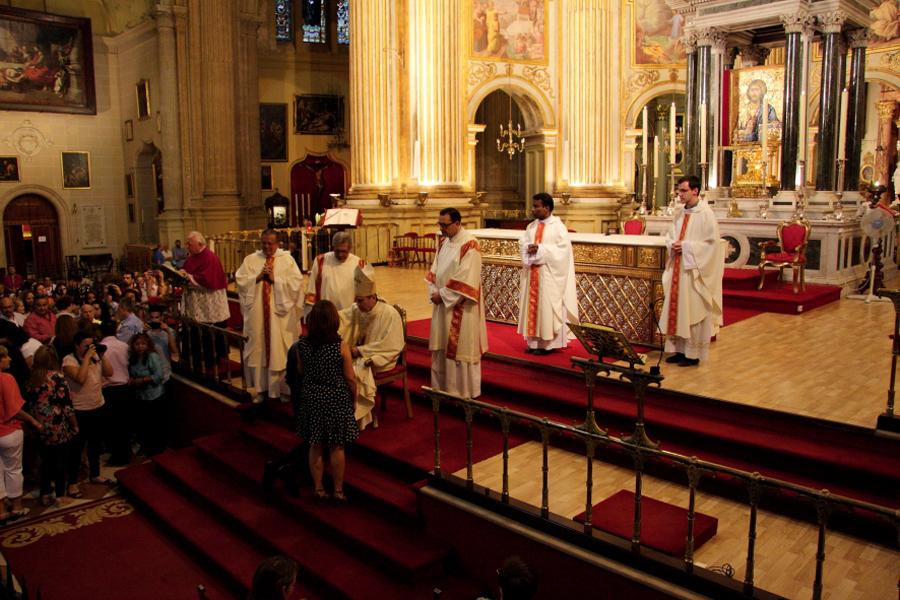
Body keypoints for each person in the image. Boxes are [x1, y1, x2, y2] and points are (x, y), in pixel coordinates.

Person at [287, 300, 357, 502]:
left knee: (315, 445)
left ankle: (318, 489)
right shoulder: (340, 347)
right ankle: (338, 491)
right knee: (336, 446)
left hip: (311, 398)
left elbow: (300, 371)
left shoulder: (302, 345)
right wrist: (353, 399)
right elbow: (350, 379)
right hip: (335, 399)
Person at [661, 175, 724, 367]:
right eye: (678, 191)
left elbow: (712, 245)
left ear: (695, 191)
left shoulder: (705, 213)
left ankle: (692, 353)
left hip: (694, 271)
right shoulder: (681, 212)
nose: (679, 194)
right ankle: (679, 350)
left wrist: (687, 247)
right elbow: (670, 235)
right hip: (678, 268)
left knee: (693, 309)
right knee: (678, 310)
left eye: (683, 191)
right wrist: (673, 244)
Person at [235, 229, 304, 404]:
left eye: (270, 243)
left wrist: (275, 279)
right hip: (258, 314)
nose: (266, 246)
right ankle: (260, 389)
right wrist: (257, 278)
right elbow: (241, 281)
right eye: (263, 243)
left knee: (279, 350)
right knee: (259, 349)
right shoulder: (251, 260)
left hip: (279, 317)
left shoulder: (287, 260)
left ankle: (282, 389)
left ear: (278, 243)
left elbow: (296, 285)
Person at [426, 208, 488, 398]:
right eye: (440, 224)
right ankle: (442, 389)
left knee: (460, 348)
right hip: (441, 304)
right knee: (441, 346)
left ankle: (462, 392)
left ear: (457, 223)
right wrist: (433, 290)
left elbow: (466, 277)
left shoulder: (470, 244)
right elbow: (434, 269)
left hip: (460, 307)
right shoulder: (444, 241)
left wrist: (443, 295)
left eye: (444, 225)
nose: (441, 229)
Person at [338, 264, 404, 429]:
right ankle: (343, 413)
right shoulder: (357, 309)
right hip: (360, 354)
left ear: (372, 297)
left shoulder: (389, 313)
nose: (357, 304)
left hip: (381, 357)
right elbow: (340, 319)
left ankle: (358, 419)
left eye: (360, 301)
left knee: (356, 371)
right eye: (356, 300)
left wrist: (359, 351)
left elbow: (390, 344)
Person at [517, 192, 578, 355]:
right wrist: (527, 248)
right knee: (533, 309)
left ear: (547, 207)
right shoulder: (531, 226)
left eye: (537, 206)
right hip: (533, 275)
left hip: (548, 276)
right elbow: (523, 243)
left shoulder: (558, 227)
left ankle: (548, 345)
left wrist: (540, 249)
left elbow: (563, 252)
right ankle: (534, 344)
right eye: (534, 206)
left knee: (546, 308)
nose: (533, 209)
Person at [26, 345, 78, 507]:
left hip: (38, 425)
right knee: (60, 461)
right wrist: (74, 424)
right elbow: (67, 406)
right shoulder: (57, 377)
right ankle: (60, 495)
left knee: (45, 461)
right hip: (57, 426)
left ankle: (45, 492)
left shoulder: (31, 378)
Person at [62, 331, 113, 491]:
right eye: (86, 346)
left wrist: (101, 355)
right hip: (79, 410)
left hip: (98, 406)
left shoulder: (95, 357)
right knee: (76, 448)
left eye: (91, 345)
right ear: (76, 345)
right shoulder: (68, 360)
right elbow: (80, 378)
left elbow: (109, 372)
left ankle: (95, 474)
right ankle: (72, 482)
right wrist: (86, 358)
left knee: (95, 444)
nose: (89, 348)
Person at [0, 345, 42, 521]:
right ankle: (16, 506)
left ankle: (1, 510)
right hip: (9, 430)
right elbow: (14, 409)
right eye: (6, 356)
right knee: (14, 469)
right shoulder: (6, 378)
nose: (10, 359)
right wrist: (33, 420)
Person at [180, 231, 231, 365]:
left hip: (209, 304)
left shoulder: (209, 257)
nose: (187, 246)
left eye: (189, 244)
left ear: (200, 244)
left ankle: (210, 359)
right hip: (196, 303)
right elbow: (188, 271)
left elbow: (207, 280)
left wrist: (187, 277)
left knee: (208, 332)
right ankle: (194, 357)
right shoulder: (192, 257)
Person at [304, 231, 364, 317]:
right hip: (325, 315)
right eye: (337, 250)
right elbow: (312, 290)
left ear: (350, 248)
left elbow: (364, 293)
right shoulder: (321, 261)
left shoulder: (358, 264)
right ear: (333, 247)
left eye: (344, 251)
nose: (340, 254)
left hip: (349, 315)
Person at [100, 320, 132, 466]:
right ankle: (126, 453)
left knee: (113, 425)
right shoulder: (124, 346)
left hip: (108, 389)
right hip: (124, 388)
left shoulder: (102, 348)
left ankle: (118, 456)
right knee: (124, 423)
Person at [128, 332, 165, 456]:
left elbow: (159, 376)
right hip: (140, 395)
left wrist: (143, 380)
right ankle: (146, 446)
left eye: (143, 344)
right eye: (137, 344)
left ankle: (157, 449)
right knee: (143, 424)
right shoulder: (133, 358)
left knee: (154, 423)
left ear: (148, 344)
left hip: (154, 395)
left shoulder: (152, 357)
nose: (140, 347)